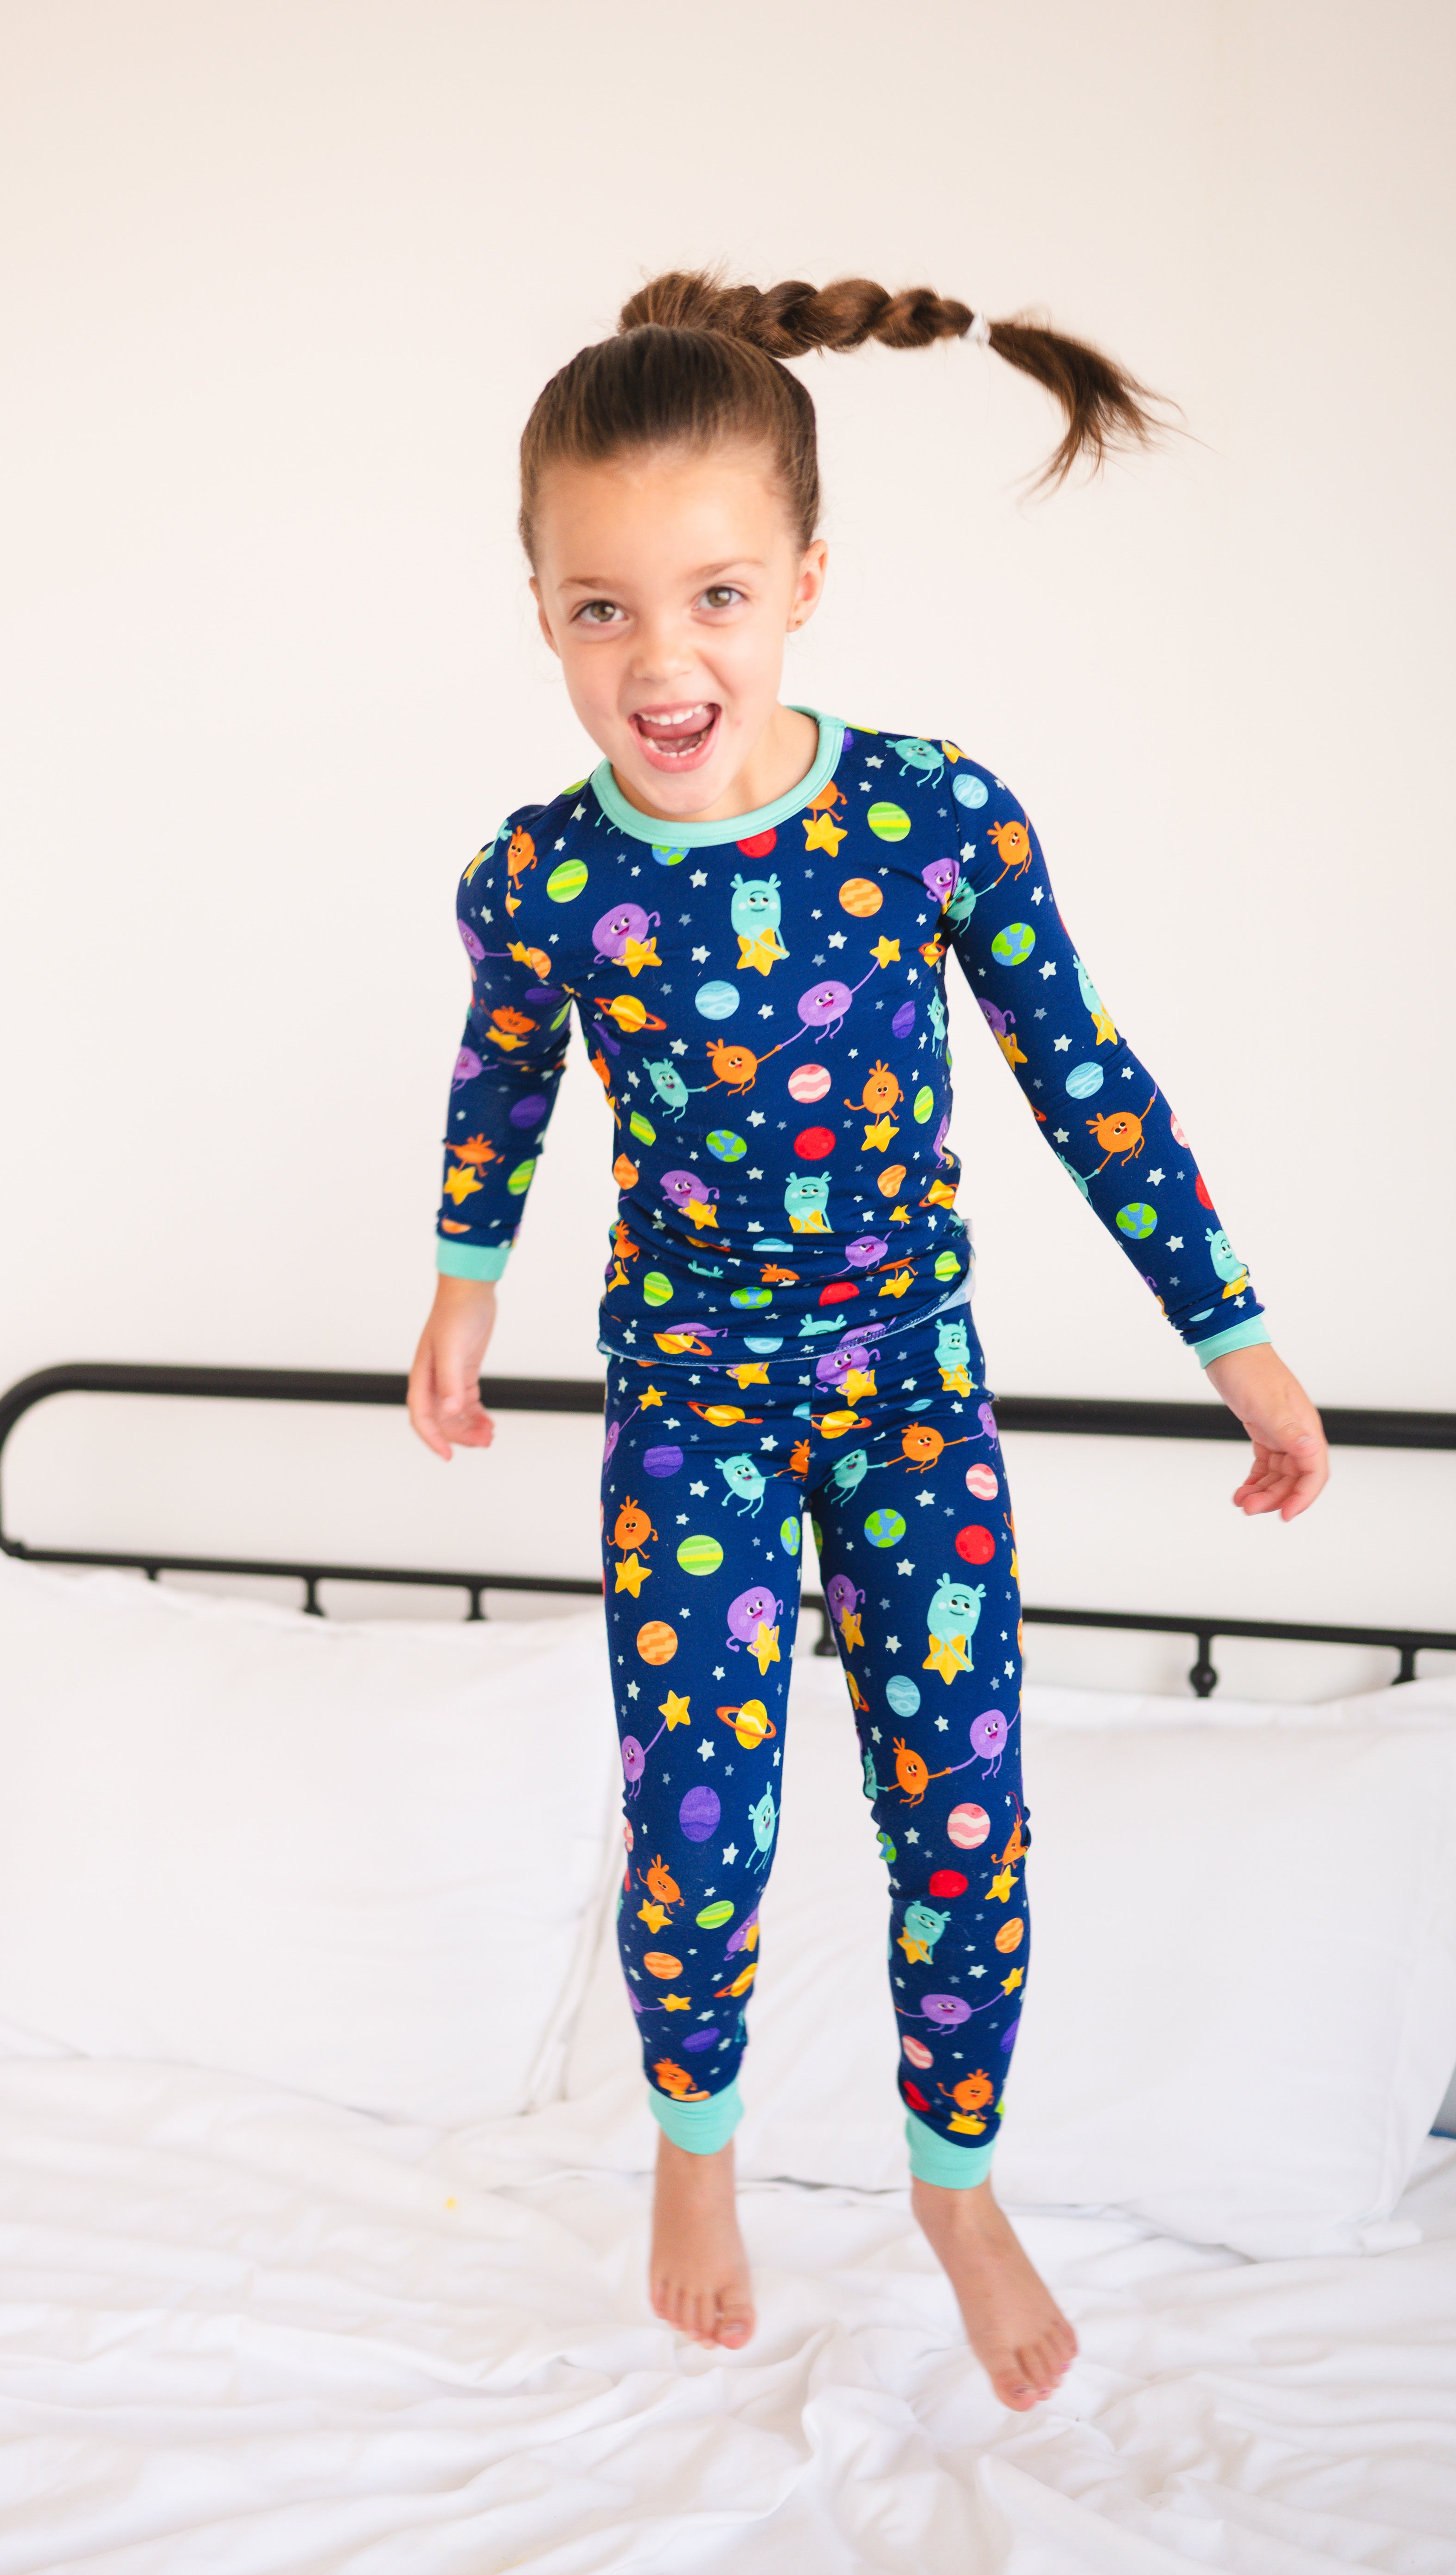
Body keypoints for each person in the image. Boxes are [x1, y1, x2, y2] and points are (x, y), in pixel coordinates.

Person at [406, 271, 1328, 2410]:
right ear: (539, 612)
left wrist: (1234, 1339)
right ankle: (695, 2150)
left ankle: (951, 2176)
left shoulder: (929, 818)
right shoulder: (541, 878)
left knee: (961, 1797)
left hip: (908, 1386)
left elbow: (1086, 1079)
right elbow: (500, 1082)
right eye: (599, 610)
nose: (664, 659)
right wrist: (463, 1289)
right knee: (699, 1796)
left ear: (806, 583)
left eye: (715, 594)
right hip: (692, 1397)